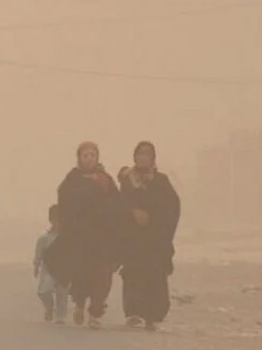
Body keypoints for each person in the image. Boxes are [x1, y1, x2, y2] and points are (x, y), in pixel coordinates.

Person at [50, 141, 119, 328]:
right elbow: (63, 202)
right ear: (79, 158)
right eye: (85, 155)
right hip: (79, 235)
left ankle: (95, 313)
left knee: (103, 273)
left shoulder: (105, 179)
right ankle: (79, 304)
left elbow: (116, 203)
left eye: (93, 155)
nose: (89, 158)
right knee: (81, 273)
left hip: (102, 236)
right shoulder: (72, 179)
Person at [118, 141, 182, 331]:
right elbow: (120, 203)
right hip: (133, 238)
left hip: (155, 238)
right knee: (133, 274)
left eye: (147, 154)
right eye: (140, 154)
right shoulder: (128, 180)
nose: (143, 157)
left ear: (153, 158)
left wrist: (155, 220)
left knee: (154, 275)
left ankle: (152, 316)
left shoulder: (161, 181)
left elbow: (172, 207)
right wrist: (133, 213)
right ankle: (133, 313)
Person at [34, 204, 70, 324]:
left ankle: (61, 316)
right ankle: (49, 308)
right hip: (48, 269)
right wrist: (36, 265)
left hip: (64, 269)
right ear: (51, 220)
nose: (58, 223)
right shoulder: (44, 238)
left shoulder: (69, 237)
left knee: (62, 293)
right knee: (43, 291)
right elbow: (39, 253)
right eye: (55, 220)